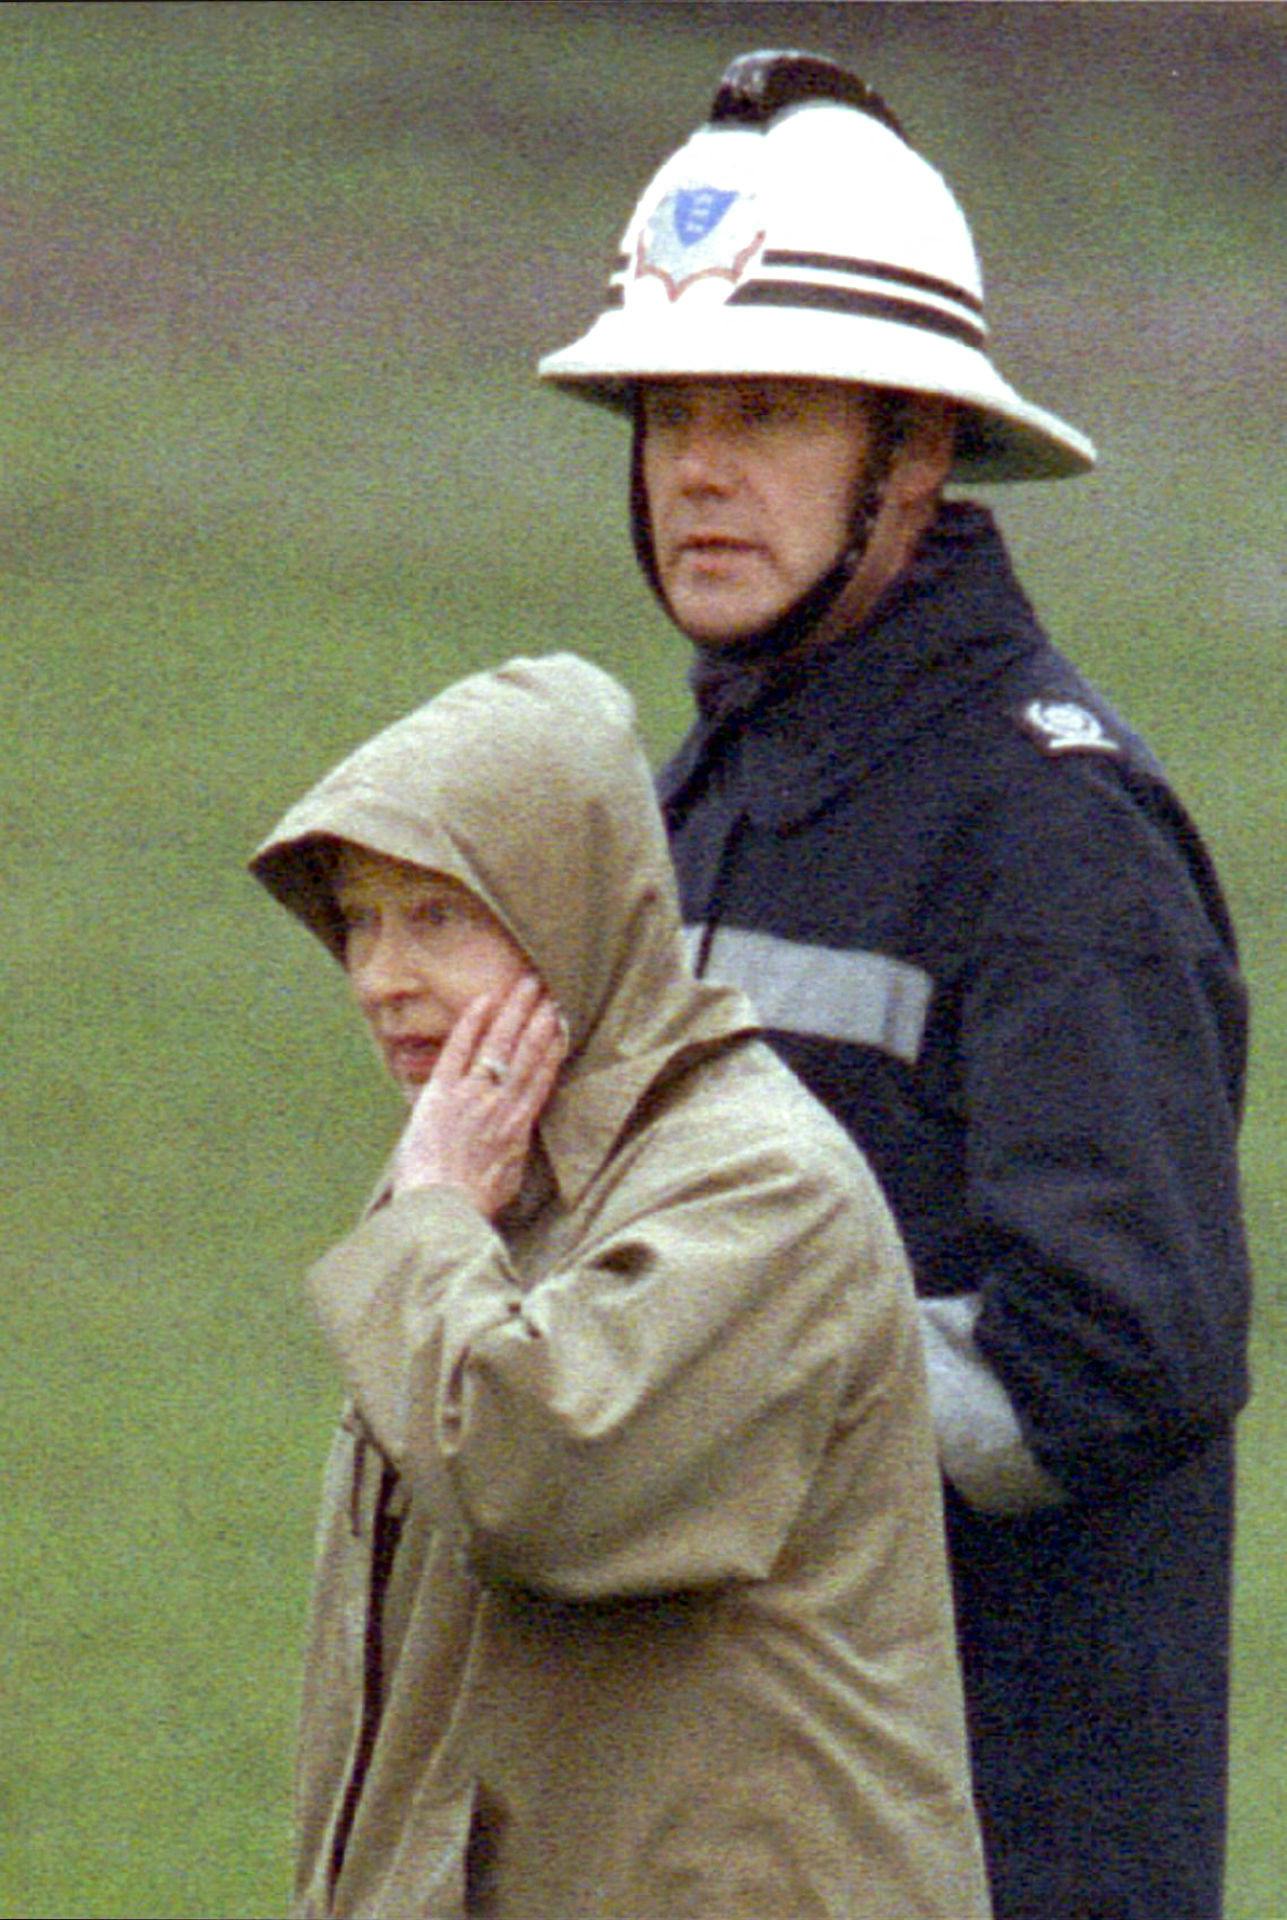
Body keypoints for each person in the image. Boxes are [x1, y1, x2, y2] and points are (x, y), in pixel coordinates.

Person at [538, 49, 1253, 1920]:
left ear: (917, 451)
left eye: (767, 412)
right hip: (728, 1834)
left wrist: (694, 1425)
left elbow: (1122, 1353)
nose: (699, 467)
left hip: (992, 1851)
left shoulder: (1050, 839)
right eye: (667, 409)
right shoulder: (690, 803)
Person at [249, 652, 993, 1920]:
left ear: (571, 910)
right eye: (360, 920)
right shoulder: (500, 1177)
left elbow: (537, 1478)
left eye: (436, 916)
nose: (379, 976)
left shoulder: (759, 1191)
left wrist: (428, 1219)